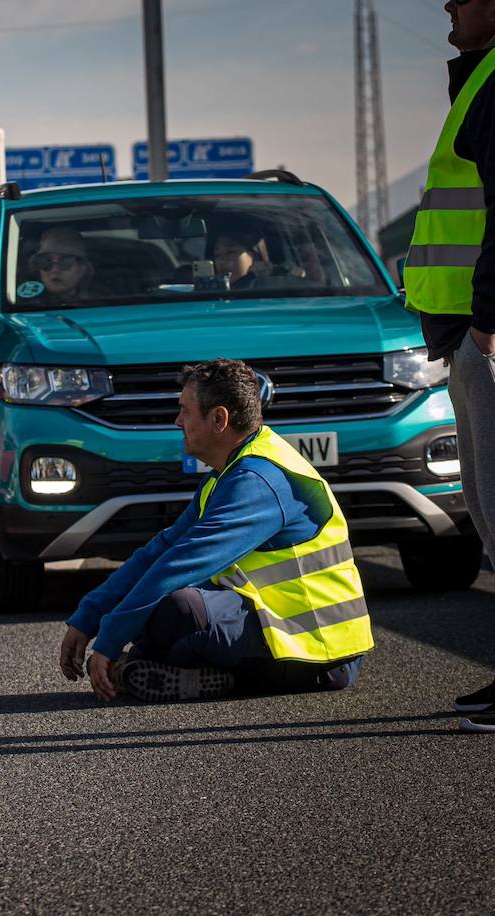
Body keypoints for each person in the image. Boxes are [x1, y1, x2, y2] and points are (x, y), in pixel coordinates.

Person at [58, 358, 372, 703]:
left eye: (185, 411)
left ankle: (165, 669)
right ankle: (156, 669)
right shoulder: (229, 475)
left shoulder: (258, 481)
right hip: (281, 635)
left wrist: (110, 638)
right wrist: (88, 617)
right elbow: (159, 552)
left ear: (218, 419)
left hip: (320, 654)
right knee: (158, 600)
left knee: (176, 606)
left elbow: (181, 563)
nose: (178, 422)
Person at [405, 0, 495, 732]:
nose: (446, 7)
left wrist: (488, 319)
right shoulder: (479, 77)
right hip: (468, 330)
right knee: (489, 510)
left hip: (486, 332)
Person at [27, 227, 96, 305]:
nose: (54, 270)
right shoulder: (24, 306)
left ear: (83, 268)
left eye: (66, 261)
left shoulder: (104, 303)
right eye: (45, 261)